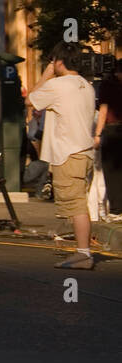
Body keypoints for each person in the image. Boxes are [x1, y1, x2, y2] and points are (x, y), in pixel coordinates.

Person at [27, 42, 98, 269]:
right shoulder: (86, 85)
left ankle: (84, 254)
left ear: (59, 62)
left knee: (76, 205)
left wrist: (46, 74)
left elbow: (31, 99)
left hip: (68, 152)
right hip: (84, 151)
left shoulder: (58, 85)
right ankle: (82, 251)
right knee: (78, 202)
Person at [93, 60, 122, 222]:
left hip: (112, 131)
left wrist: (98, 134)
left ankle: (117, 210)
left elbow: (103, 110)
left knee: (111, 172)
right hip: (115, 130)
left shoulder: (108, 86)